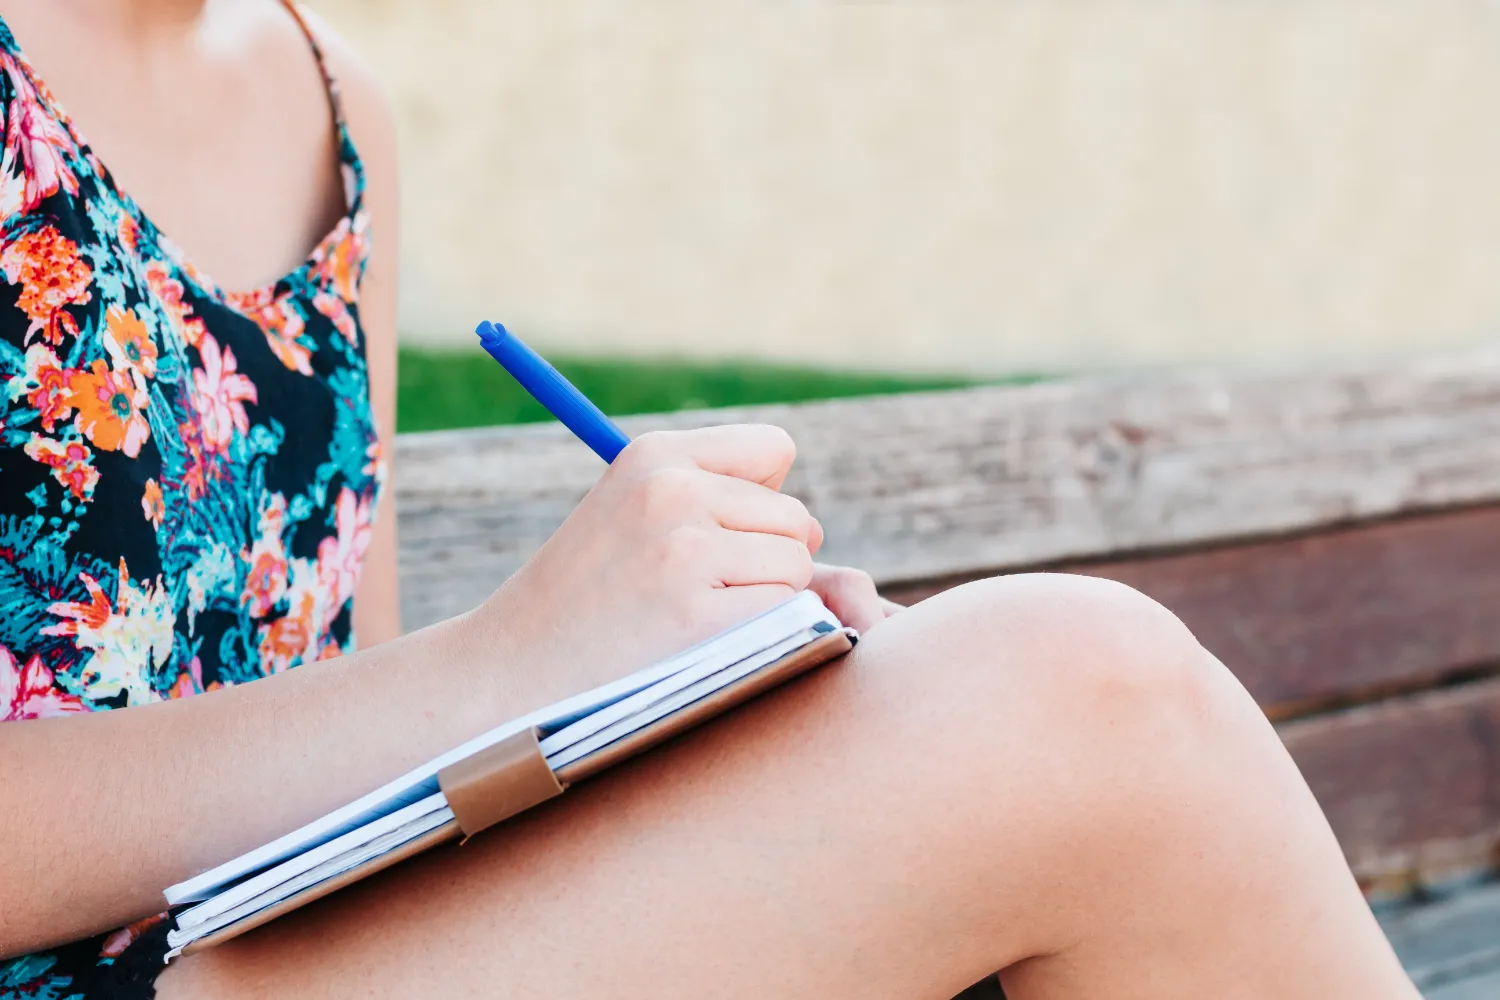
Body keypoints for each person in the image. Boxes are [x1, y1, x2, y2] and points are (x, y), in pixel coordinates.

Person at [0, 2, 1421, 998]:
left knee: (1073, 717)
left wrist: (678, 682)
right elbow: (407, 695)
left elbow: (338, 733)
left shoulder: (330, 100)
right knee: (1077, 699)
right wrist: (504, 661)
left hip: (286, 947)